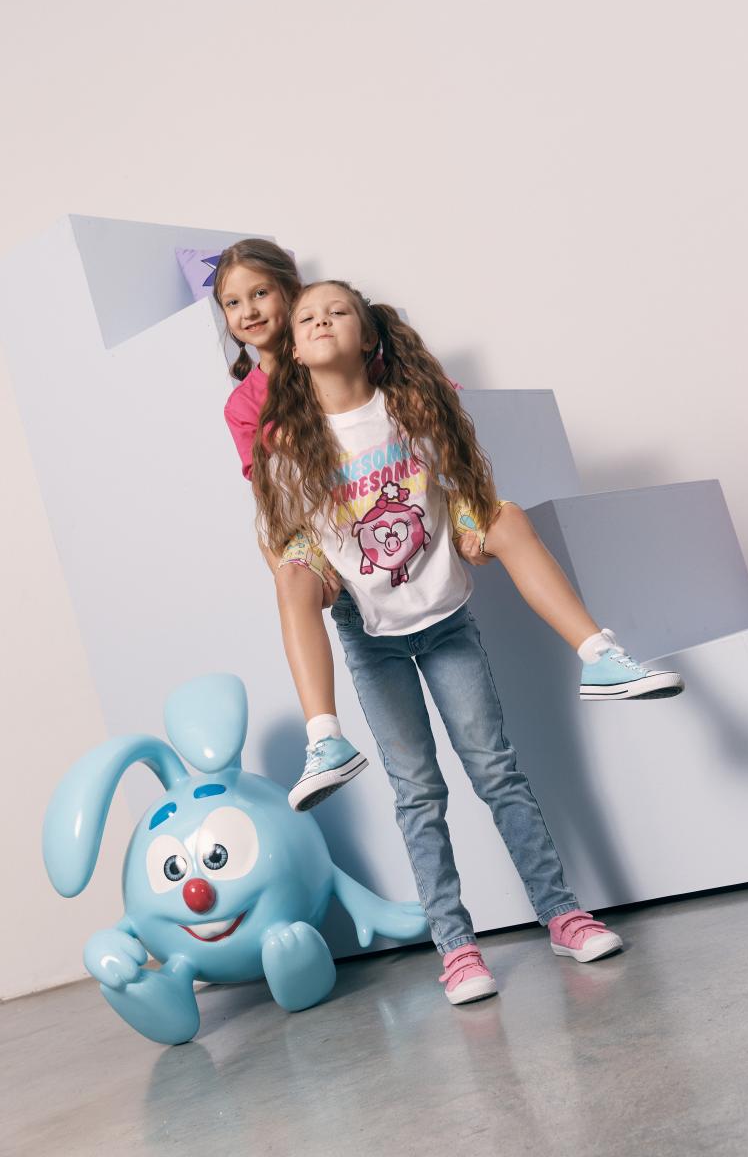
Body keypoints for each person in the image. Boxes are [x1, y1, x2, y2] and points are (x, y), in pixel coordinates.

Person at [248, 278, 636, 1003]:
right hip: (371, 638)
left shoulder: (411, 410)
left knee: (497, 773)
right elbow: (284, 536)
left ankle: (562, 913)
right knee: (418, 795)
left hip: (446, 624)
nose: (322, 321)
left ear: (369, 334)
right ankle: (455, 947)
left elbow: (460, 495)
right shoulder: (289, 446)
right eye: (307, 318)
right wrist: (314, 577)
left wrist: (471, 532)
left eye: (338, 311)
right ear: (293, 350)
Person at [220, 244, 683, 814]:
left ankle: (601, 656)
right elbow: (271, 502)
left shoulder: (354, 356)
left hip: (411, 500)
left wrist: (459, 511)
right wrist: (297, 572)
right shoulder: (253, 406)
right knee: (290, 573)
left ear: (291, 295)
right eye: (233, 303)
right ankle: (324, 740)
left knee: (505, 517)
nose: (249, 310)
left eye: (260, 293)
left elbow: (439, 434)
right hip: (331, 531)